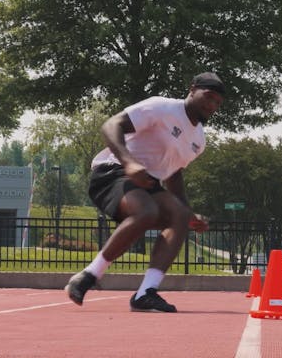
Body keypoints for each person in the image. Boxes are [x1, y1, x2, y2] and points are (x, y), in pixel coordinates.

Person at [64, 72, 224, 312]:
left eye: (217, 103)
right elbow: (110, 125)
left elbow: (173, 172)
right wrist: (129, 162)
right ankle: (88, 275)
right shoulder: (161, 107)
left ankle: (146, 292)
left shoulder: (198, 140)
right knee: (147, 211)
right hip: (114, 171)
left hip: (148, 182)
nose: (211, 105)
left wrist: (188, 212)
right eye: (208, 96)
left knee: (179, 216)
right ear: (192, 89)